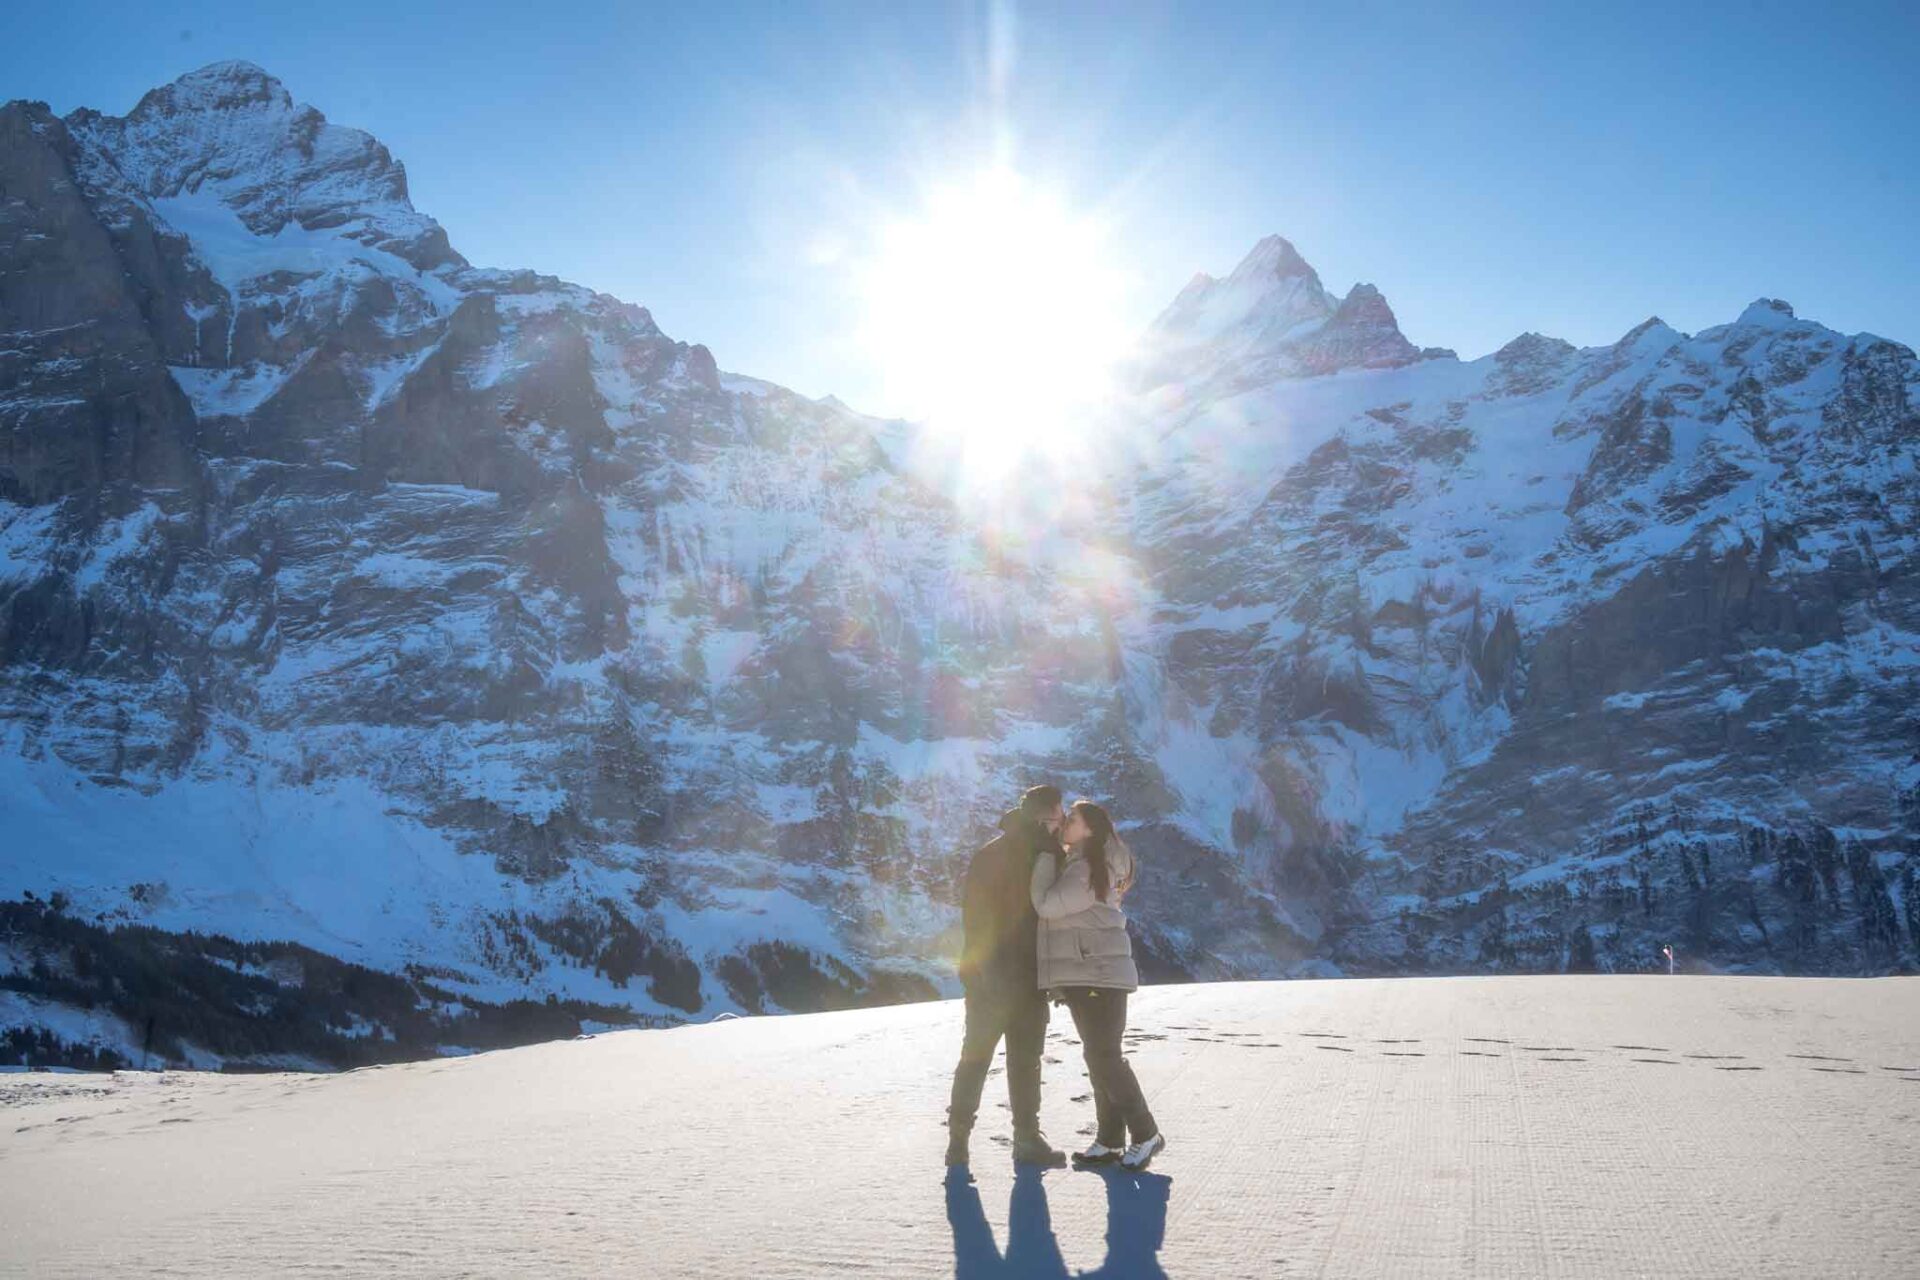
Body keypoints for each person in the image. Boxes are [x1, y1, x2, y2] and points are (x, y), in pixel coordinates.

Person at [1031, 800, 1165, 1172]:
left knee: (1105, 1057)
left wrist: (1045, 856)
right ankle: (1109, 1140)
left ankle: (1146, 1133)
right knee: (1099, 1056)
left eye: (1071, 820)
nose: (1065, 825)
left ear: (1089, 829)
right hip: (1091, 971)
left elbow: (1047, 904)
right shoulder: (1087, 863)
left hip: (1096, 974)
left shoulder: (1088, 867)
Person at [946, 785, 1069, 1169]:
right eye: (1058, 818)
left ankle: (958, 1142)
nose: (1061, 825)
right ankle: (1026, 1139)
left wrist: (973, 968)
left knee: (974, 1058)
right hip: (1027, 976)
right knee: (1025, 1061)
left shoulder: (988, 852)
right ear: (1043, 817)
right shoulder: (1046, 854)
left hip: (985, 977)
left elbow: (972, 915)